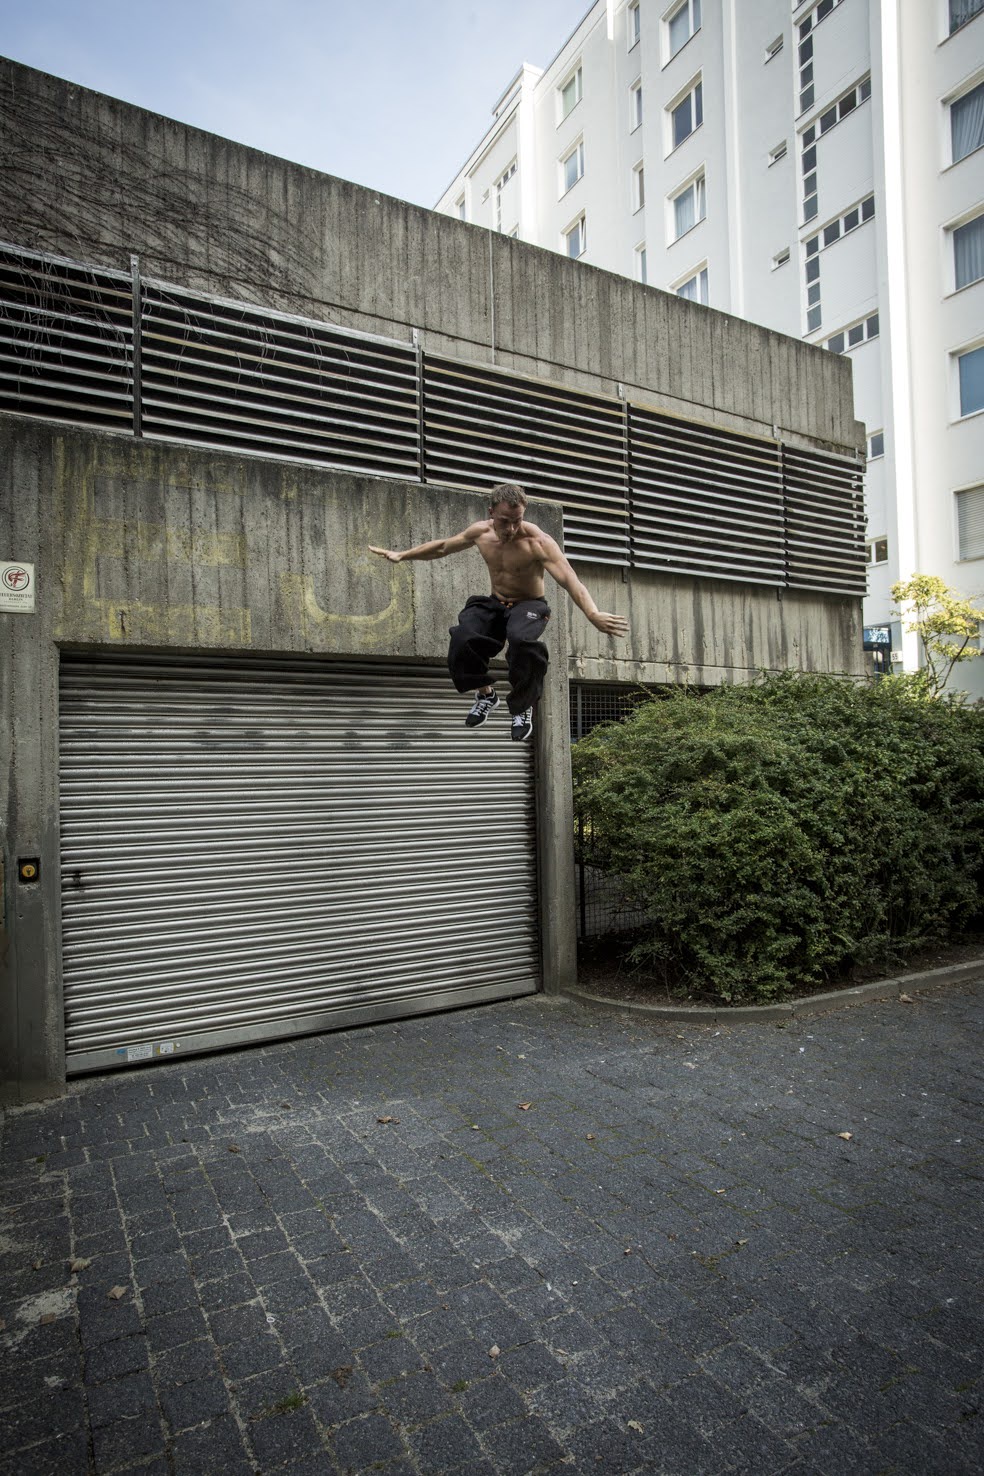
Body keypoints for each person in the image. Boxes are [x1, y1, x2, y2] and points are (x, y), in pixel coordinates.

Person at [369, 483, 628, 742]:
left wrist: (592, 613)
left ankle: (522, 707)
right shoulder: (480, 532)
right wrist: (403, 555)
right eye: (505, 521)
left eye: (518, 521)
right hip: (496, 603)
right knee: (462, 638)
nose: (512, 529)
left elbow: (571, 580)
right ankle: (486, 694)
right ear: (491, 512)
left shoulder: (538, 542)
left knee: (521, 641)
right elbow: (442, 547)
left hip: (529, 605)